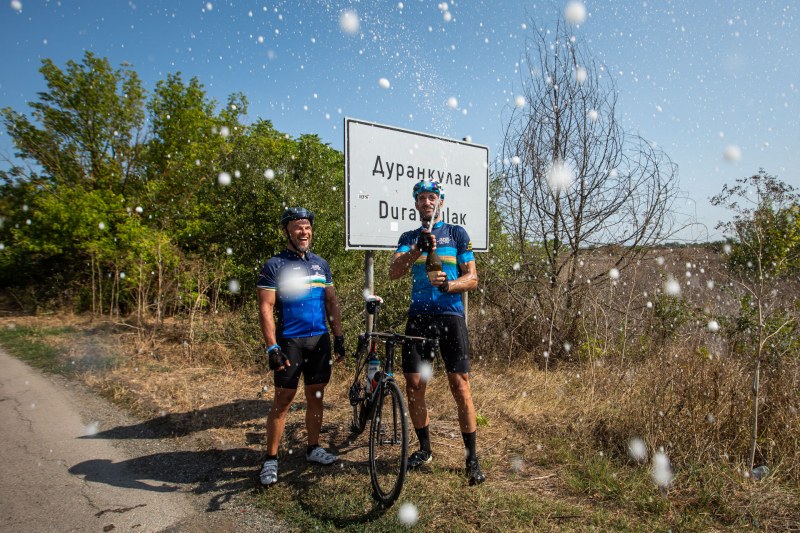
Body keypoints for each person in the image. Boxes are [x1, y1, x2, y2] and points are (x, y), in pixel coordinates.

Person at [389, 180, 485, 486]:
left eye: (432, 197)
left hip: (450, 316)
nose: (427, 202)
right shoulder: (408, 237)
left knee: (460, 385)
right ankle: (425, 449)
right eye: (422, 198)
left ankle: (471, 458)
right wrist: (418, 247)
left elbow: (472, 278)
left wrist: (449, 285)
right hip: (419, 318)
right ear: (416, 204)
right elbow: (394, 272)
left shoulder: (457, 234)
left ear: (440, 202)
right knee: (415, 385)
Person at [256, 207, 345, 487]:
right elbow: (266, 308)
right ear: (287, 231)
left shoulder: (321, 264)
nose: (303, 232)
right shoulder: (275, 265)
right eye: (297, 227)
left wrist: (339, 336)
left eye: (307, 227)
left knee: (316, 396)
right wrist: (272, 347)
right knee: (283, 400)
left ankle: (313, 448)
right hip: (290, 342)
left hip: (319, 340)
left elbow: (331, 302)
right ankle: (271, 459)